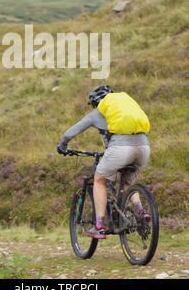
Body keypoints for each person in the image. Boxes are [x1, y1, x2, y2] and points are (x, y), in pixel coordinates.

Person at [57, 85, 151, 239]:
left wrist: (62, 145)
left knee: (99, 180)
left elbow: (72, 131)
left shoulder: (97, 113)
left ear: (96, 102)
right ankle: (140, 210)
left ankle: (99, 226)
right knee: (126, 182)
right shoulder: (124, 107)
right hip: (144, 147)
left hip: (120, 149)